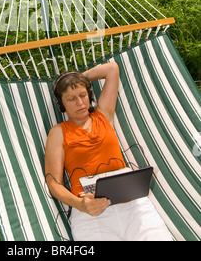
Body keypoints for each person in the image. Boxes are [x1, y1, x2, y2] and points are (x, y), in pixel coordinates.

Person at [44, 63, 173, 241]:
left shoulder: (103, 114)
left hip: (131, 202)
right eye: (71, 99)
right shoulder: (58, 132)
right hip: (90, 210)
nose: (80, 103)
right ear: (61, 104)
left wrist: (76, 79)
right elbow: (53, 183)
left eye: (83, 95)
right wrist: (80, 204)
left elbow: (112, 69)